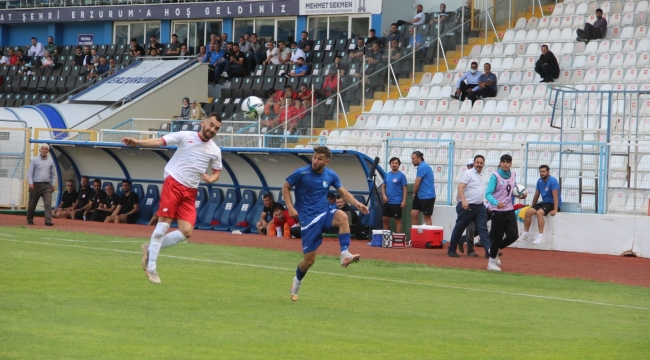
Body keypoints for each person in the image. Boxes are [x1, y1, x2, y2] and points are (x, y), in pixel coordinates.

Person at [126, 114, 223, 284]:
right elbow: (160, 141)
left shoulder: (215, 150)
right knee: (163, 225)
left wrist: (210, 179)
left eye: (216, 128)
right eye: (211, 125)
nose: (212, 130)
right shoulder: (186, 136)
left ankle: (150, 249)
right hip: (174, 182)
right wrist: (138, 142)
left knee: (186, 232)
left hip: (191, 192)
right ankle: (152, 268)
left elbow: (217, 172)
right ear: (203, 123)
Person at [283, 146, 369, 301]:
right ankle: (297, 281)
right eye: (314, 157)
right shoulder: (301, 173)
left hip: (323, 213)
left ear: (327, 161)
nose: (315, 161)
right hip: (308, 221)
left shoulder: (331, 175)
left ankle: (344, 254)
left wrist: (357, 204)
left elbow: (343, 192)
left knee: (342, 216)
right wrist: (290, 207)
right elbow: (286, 187)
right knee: (309, 261)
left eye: (319, 158)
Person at [447, 155, 492, 258]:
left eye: (481, 163)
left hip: (480, 207)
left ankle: (489, 251)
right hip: (468, 206)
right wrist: (463, 201)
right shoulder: (468, 174)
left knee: (483, 229)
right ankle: (451, 249)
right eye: (477, 162)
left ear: (483, 164)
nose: (479, 164)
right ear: (474, 163)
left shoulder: (481, 176)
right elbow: (460, 187)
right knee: (459, 228)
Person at [485, 154, 525, 271]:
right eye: (503, 162)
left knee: (513, 235)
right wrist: (496, 202)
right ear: (500, 163)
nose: (505, 164)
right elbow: (487, 194)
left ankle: (494, 249)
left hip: (509, 209)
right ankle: (491, 262)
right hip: (497, 210)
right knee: (497, 236)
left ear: (511, 163)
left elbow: (510, 190)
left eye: (508, 162)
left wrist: (520, 195)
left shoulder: (513, 174)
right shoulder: (495, 176)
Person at [518, 165, 562, 245]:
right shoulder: (539, 181)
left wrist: (555, 209)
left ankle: (541, 236)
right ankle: (526, 233)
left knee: (539, 213)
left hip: (553, 203)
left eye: (544, 171)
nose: (542, 173)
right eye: (541, 172)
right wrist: (532, 206)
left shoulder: (553, 181)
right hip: (545, 202)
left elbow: (555, 196)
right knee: (528, 212)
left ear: (548, 172)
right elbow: (536, 195)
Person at [26, 144, 55, 226]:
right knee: (32, 203)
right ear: (40, 150)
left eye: (46, 149)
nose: (44, 150)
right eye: (42, 149)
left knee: (48, 203)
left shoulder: (51, 161)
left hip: (47, 185)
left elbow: (53, 174)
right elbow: (30, 172)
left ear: (48, 151)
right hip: (36, 184)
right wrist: (30, 183)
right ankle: (30, 219)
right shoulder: (34, 160)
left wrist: (52, 184)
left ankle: (48, 220)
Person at [382, 157, 407, 233]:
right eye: (392, 163)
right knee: (385, 219)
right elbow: (383, 186)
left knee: (397, 220)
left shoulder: (401, 176)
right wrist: (384, 195)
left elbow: (405, 188)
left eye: (396, 163)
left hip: (396, 202)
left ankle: (398, 238)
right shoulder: (387, 175)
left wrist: (404, 201)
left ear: (399, 165)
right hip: (387, 202)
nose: (394, 165)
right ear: (390, 165)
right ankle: (386, 237)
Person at [410, 150, 435, 226]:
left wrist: (414, 192)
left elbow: (417, 183)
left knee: (427, 217)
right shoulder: (421, 167)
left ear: (419, 158)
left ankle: (429, 237)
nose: (412, 161)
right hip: (420, 195)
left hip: (427, 196)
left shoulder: (423, 167)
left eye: (413, 159)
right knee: (414, 214)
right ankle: (416, 235)